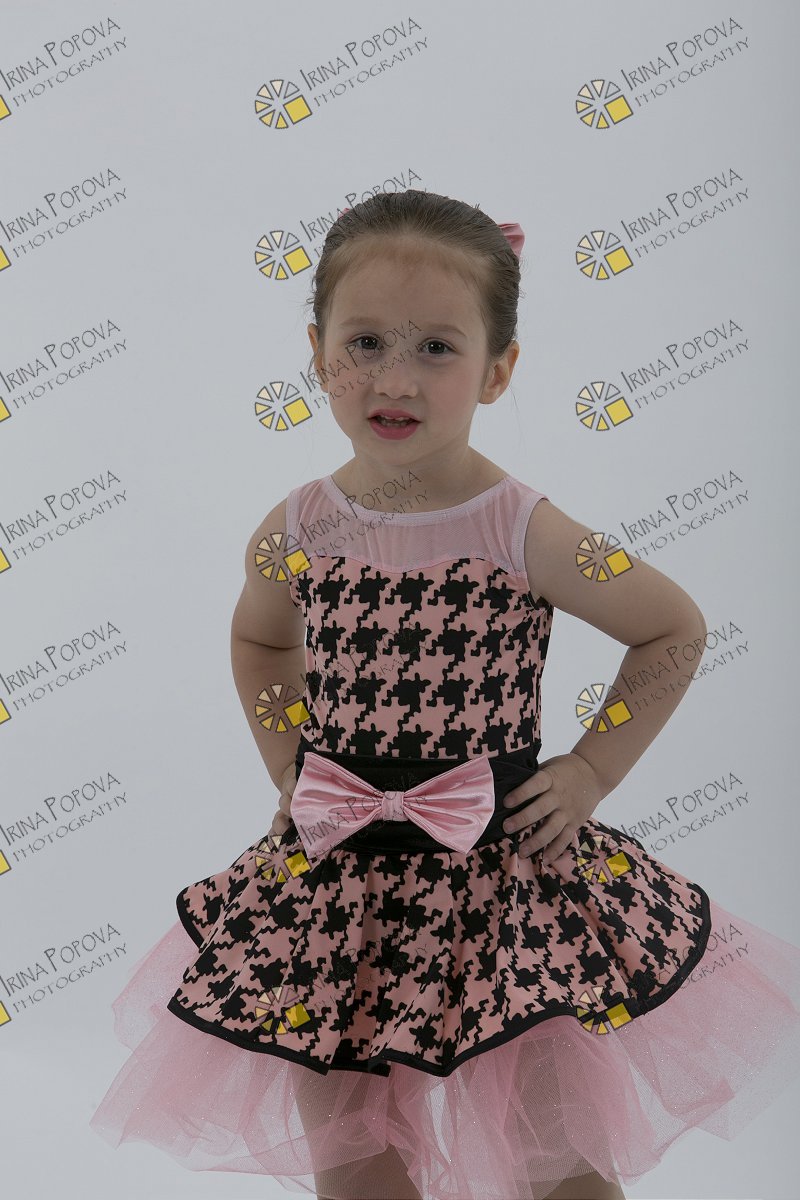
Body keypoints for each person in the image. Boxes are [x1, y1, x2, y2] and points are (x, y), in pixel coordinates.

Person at [89, 191, 800, 1200]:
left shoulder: (524, 528)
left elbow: (671, 626)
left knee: (553, 1147)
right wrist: (292, 765)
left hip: (504, 882)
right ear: (316, 354)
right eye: (365, 343)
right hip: (337, 886)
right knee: (349, 1148)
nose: (394, 377)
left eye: (435, 348)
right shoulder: (295, 527)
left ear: (498, 370)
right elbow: (260, 639)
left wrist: (589, 771)